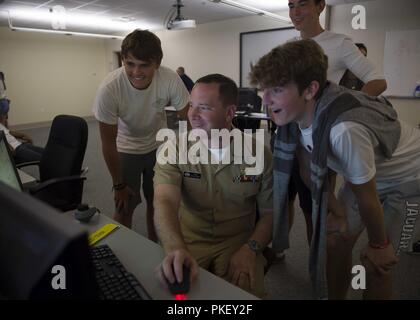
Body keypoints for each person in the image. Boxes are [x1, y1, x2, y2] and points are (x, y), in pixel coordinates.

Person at [250, 39, 420, 299]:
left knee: (377, 264)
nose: (266, 100)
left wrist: (379, 243)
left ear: (310, 90)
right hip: (365, 176)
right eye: (264, 90)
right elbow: (308, 170)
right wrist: (338, 212)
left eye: (276, 89)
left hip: (409, 178)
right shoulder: (291, 118)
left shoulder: (344, 130)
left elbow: (367, 196)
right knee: (333, 240)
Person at [153, 74, 273, 298]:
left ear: (229, 113)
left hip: (237, 241)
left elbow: (269, 214)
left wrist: (250, 249)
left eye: (204, 107)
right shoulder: (174, 149)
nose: (192, 115)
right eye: (191, 105)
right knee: (173, 294)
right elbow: (164, 202)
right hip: (189, 238)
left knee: (243, 297)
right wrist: (175, 248)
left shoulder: (259, 154)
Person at [92, 30, 190, 241]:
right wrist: (118, 184)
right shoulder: (109, 89)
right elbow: (107, 142)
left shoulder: (169, 78)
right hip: (126, 148)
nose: (136, 71)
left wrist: (187, 156)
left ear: (157, 63)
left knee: (160, 206)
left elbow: (189, 121)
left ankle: (157, 252)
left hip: (159, 146)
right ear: (123, 61)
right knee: (124, 206)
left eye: (144, 65)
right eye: (130, 64)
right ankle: (120, 255)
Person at [288, 0, 387, 96]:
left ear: (320, 6)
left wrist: (350, 108)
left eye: (303, 4)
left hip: (322, 112)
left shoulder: (340, 43)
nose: (296, 12)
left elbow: (378, 81)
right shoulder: (289, 46)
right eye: (291, 6)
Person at [0, 98, 44, 164]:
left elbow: (8, 132)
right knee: (44, 159)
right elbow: (9, 150)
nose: (7, 117)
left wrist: (23, 135)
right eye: (5, 114)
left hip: (20, 145)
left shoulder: (1, 124)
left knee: (47, 153)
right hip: (17, 151)